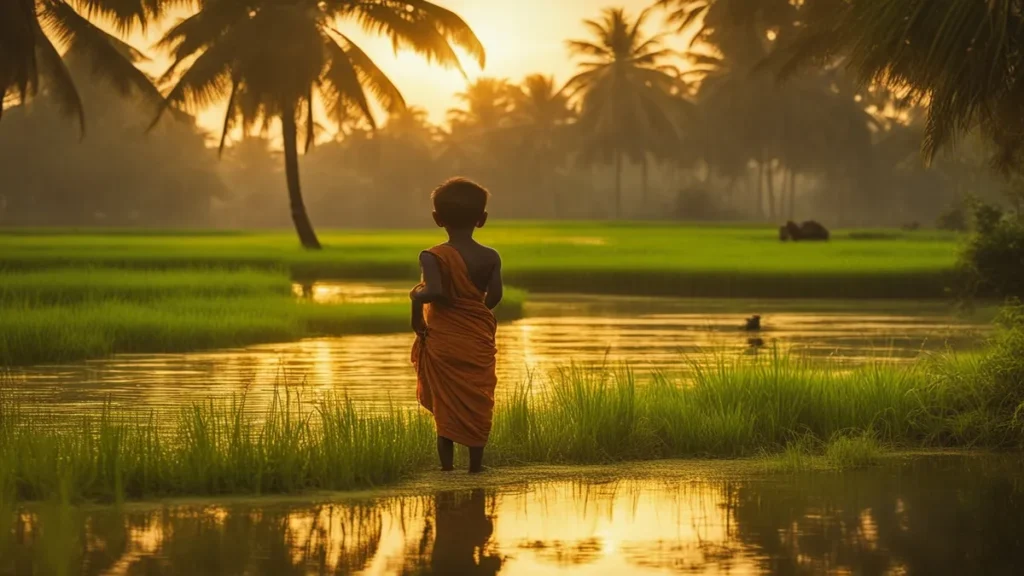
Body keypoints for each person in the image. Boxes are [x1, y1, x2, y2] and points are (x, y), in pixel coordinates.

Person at [410, 177, 503, 474]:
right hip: (476, 340)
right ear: (482, 219)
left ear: (437, 219)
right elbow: (496, 296)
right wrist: (472, 315)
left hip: (445, 341)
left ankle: (447, 470)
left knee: (445, 406)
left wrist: (415, 297)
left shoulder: (432, 255)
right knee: (478, 400)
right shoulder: (490, 256)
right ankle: (476, 467)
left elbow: (434, 291)